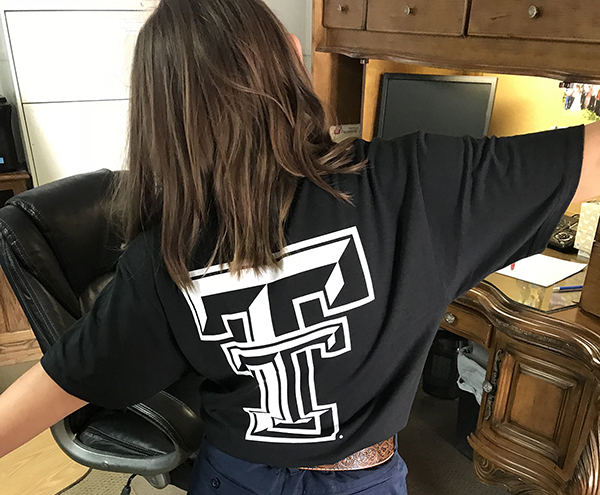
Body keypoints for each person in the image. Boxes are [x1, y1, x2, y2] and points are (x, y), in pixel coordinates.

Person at [1, 0, 600, 493]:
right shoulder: (423, 183)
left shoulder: (161, 258)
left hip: (232, 478)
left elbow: (54, 387)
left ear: (161, 114)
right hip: (363, 481)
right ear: (290, 61)